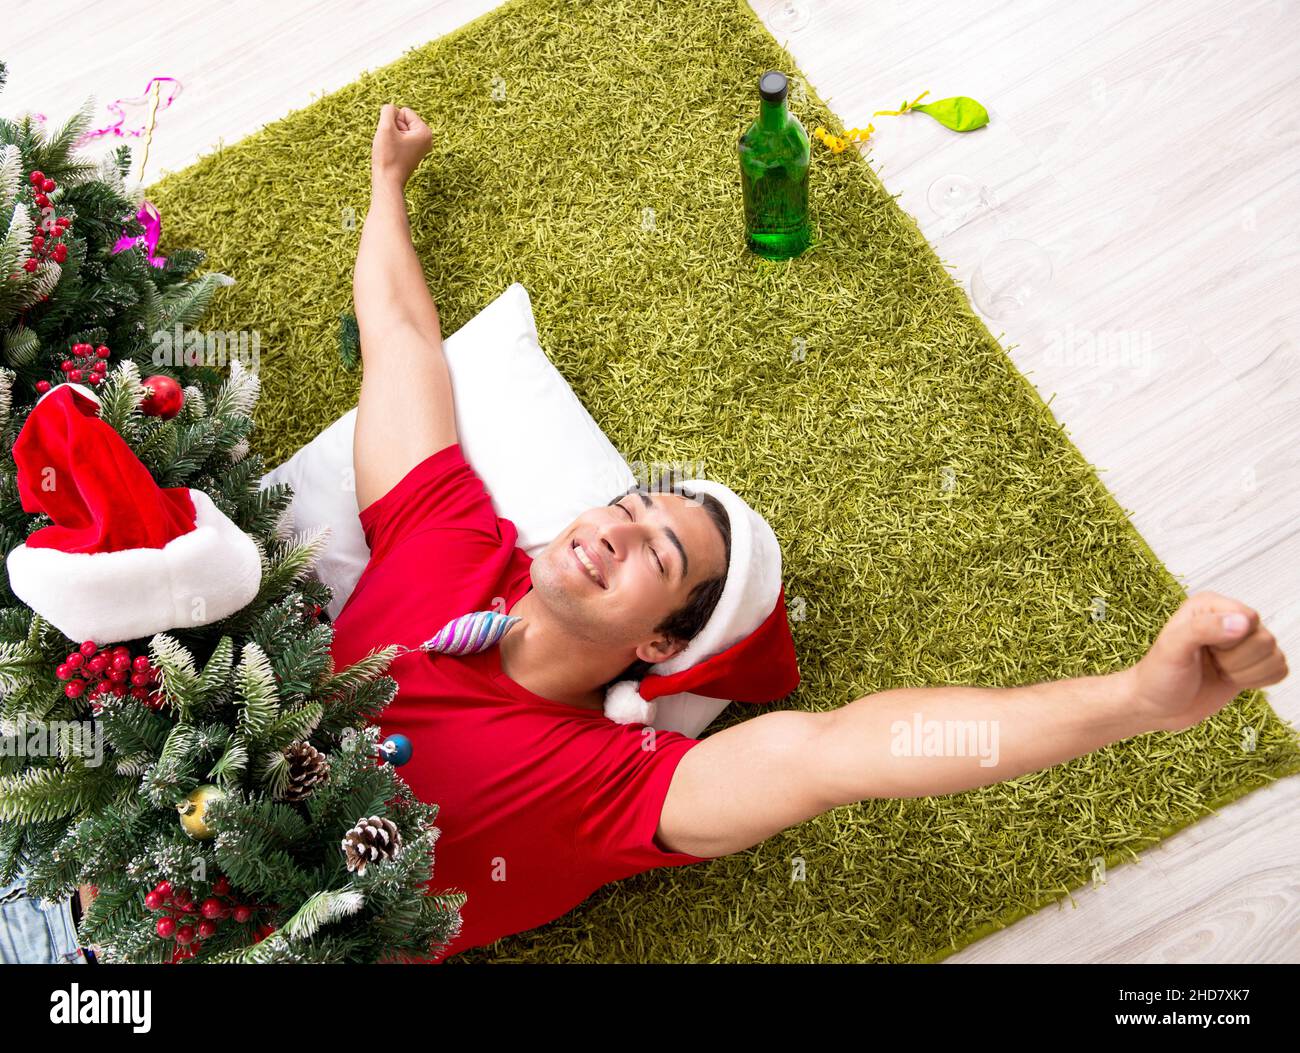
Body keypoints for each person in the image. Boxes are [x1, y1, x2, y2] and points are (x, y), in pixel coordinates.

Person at [331, 104, 1290, 962]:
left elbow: (848, 750)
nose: (613, 533)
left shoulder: (609, 786)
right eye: (627, 507)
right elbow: (405, 344)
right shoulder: (451, 538)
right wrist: (388, 182)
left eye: (658, 556)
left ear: (660, 642)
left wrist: (1135, 701)